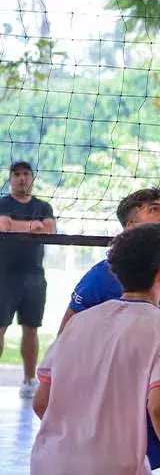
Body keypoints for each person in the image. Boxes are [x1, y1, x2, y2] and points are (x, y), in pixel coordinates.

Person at [60, 188, 160, 475]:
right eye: (154, 208)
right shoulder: (102, 277)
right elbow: (67, 336)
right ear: (131, 227)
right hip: (113, 397)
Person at [30, 223, 160, 475]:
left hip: (48, 462)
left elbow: (41, 401)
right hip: (114, 467)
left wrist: (78, 441)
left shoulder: (77, 323)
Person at [0, 160, 56, 398]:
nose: (22, 178)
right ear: (10, 178)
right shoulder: (2, 203)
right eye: (17, 174)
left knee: (31, 329)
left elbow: (50, 230)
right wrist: (32, 226)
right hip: (4, 276)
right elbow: (3, 225)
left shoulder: (43, 206)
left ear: (32, 178)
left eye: (26, 174)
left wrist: (16, 225)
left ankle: (29, 379)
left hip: (34, 276)